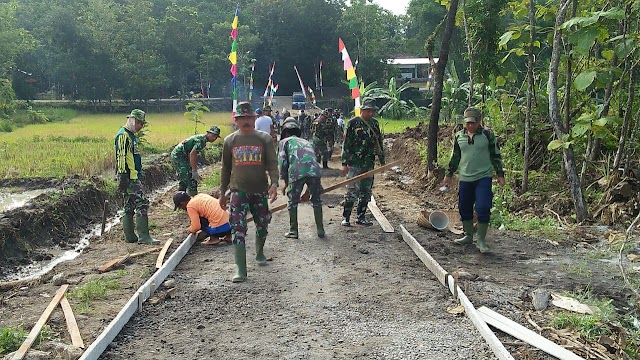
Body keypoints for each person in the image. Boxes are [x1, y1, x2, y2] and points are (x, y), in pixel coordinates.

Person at [219, 101, 279, 283]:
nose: (245, 121)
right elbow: (225, 168)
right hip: (239, 191)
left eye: (249, 117)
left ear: (254, 118)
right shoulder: (230, 141)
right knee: (238, 228)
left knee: (262, 224)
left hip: (260, 190)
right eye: (242, 118)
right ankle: (241, 269)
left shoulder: (264, 139)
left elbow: (272, 164)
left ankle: (259, 253)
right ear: (236, 120)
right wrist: (222, 192)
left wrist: (274, 184)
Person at [442, 107, 505, 253]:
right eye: (468, 123)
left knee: (483, 207)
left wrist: (500, 174)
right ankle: (468, 235)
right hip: (465, 177)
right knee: (464, 206)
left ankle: (481, 240)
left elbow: (496, 155)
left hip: (483, 176)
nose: (470, 126)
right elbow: (455, 157)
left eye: (473, 123)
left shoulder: (488, 135)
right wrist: (448, 175)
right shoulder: (459, 136)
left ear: (479, 122)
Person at [114, 109, 160, 245]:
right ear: (132, 121)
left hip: (132, 175)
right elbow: (121, 156)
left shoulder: (131, 135)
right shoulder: (124, 136)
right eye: (139, 123)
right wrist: (123, 175)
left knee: (129, 205)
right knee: (142, 203)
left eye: (142, 124)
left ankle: (130, 236)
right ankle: (144, 236)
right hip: (129, 176)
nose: (141, 126)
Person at [341, 98, 385, 227]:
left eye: (372, 111)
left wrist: (382, 163)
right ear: (362, 110)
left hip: (369, 163)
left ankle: (361, 216)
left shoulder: (375, 124)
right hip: (355, 163)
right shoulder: (353, 123)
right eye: (368, 111)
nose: (370, 113)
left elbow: (379, 144)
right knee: (351, 191)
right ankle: (346, 217)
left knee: (366, 191)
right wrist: (344, 163)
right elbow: (346, 143)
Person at [278, 117, 325, 239]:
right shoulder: (307, 142)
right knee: (316, 200)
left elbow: (283, 163)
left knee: (292, 202)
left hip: (296, 172)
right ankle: (320, 230)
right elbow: (312, 161)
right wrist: (308, 192)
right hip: (314, 171)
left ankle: (293, 231)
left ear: (285, 132)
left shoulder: (284, 142)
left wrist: (286, 183)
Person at [171, 126, 221, 196]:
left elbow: (190, 153)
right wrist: (194, 171)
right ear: (208, 133)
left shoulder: (202, 139)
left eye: (216, 137)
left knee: (185, 177)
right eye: (213, 135)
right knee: (191, 180)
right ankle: (192, 201)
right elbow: (192, 154)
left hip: (183, 155)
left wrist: (191, 168)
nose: (214, 138)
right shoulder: (201, 141)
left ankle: (180, 198)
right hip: (178, 155)